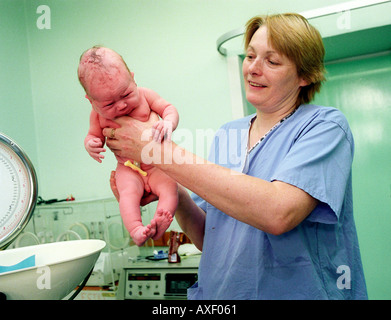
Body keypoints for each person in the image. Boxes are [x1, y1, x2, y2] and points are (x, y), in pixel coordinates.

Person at [104, 13, 368, 299]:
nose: (253, 68)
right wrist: (172, 190)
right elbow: (210, 236)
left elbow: (278, 212)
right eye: (250, 55)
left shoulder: (325, 127)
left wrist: (154, 150)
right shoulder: (228, 134)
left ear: (305, 75)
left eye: (272, 61)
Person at [78, 46, 179, 246]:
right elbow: (92, 135)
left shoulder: (145, 95)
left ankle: (162, 217)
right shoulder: (97, 116)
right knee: (127, 194)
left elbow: (168, 108)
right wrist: (91, 144)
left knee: (170, 186)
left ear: (133, 79)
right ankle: (136, 229)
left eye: (126, 94)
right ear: (91, 101)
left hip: (156, 164)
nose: (122, 106)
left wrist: (168, 122)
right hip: (128, 168)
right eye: (108, 104)